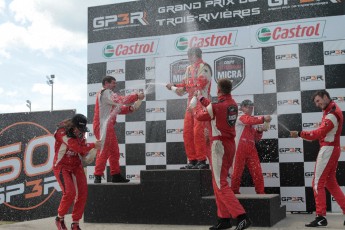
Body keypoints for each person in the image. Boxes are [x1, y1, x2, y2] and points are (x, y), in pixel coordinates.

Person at [192, 78, 251, 230]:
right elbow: (213, 107)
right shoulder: (231, 103)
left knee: (220, 183)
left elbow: (200, 115)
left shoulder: (217, 105)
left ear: (218, 89)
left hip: (218, 146)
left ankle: (241, 217)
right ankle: (223, 219)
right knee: (217, 182)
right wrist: (200, 97)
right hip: (229, 145)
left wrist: (194, 105)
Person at [290, 90, 345, 227]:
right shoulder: (330, 110)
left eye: (318, 101)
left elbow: (319, 132)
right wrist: (310, 136)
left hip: (328, 150)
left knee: (317, 183)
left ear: (325, 97)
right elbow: (322, 133)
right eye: (315, 102)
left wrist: (299, 133)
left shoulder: (332, 113)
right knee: (330, 183)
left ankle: (320, 217)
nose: (317, 104)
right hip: (332, 149)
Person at [166, 47, 212, 169]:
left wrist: (182, 88)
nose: (188, 58)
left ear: (193, 55)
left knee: (198, 132)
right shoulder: (189, 68)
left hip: (201, 102)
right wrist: (173, 86)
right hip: (191, 103)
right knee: (187, 132)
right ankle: (192, 160)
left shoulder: (204, 66)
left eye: (189, 55)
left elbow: (200, 84)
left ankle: (201, 160)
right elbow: (185, 85)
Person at [54, 114, 102, 230]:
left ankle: (75, 223)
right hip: (62, 167)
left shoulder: (81, 135)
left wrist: (95, 150)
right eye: (79, 129)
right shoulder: (61, 132)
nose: (80, 132)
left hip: (76, 166)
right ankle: (59, 219)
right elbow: (76, 147)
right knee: (70, 193)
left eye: (82, 130)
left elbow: (83, 155)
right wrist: (92, 145)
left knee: (83, 193)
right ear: (73, 126)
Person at [93, 76, 144, 183]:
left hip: (108, 126)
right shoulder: (105, 92)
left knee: (114, 151)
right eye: (113, 83)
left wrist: (131, 108)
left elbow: (119, 108)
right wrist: (136, 96)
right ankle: (97, 175)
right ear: (106, 83)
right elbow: (122, 100)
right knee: (104, 151)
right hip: (103, 126)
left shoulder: (110, 96)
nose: (115, 85)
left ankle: (115, 175)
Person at [231, 100, 272, 194]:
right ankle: (234, 192)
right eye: (249, 107)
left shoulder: (251, 121)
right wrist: (263, 118)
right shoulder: (240, 116)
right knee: (237, 172)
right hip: (239, 148)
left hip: (251, 148)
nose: (251, 109)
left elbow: (256, 138)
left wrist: (259, 131)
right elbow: (248, 120)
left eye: (252, 107)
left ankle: (261, 193)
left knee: (257, 171)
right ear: (242, 107)